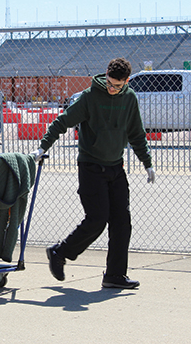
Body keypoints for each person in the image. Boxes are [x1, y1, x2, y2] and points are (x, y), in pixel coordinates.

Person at [31, 58, 155, 289]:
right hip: (90, 168)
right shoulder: (89, 97)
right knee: (97, 219)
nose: (111, 88)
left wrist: (147, 162)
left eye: (117, 85)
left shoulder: (129, 99)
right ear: (105, 75)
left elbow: (136, 133)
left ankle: (114, 275)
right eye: (109, 83)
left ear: (126, 82)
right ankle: (60, 252)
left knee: (122, 223)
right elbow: (62, 122)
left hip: (116, 168)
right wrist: (43, 147)